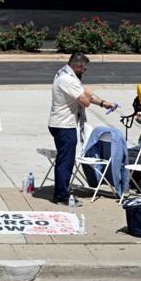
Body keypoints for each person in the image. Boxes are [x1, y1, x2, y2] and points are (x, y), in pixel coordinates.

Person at [47, 53, 115, 204]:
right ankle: (61, 196)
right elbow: (85, 100)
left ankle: (61, 190)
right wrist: (89, 93)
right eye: (84, 68)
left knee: (64, 159)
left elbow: (82, 93)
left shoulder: (64, 72)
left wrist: (104, 103)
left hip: (60, 123)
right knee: (66, 161)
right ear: (77, 66)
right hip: (64, 126)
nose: (84, 71)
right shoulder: (68, 79)